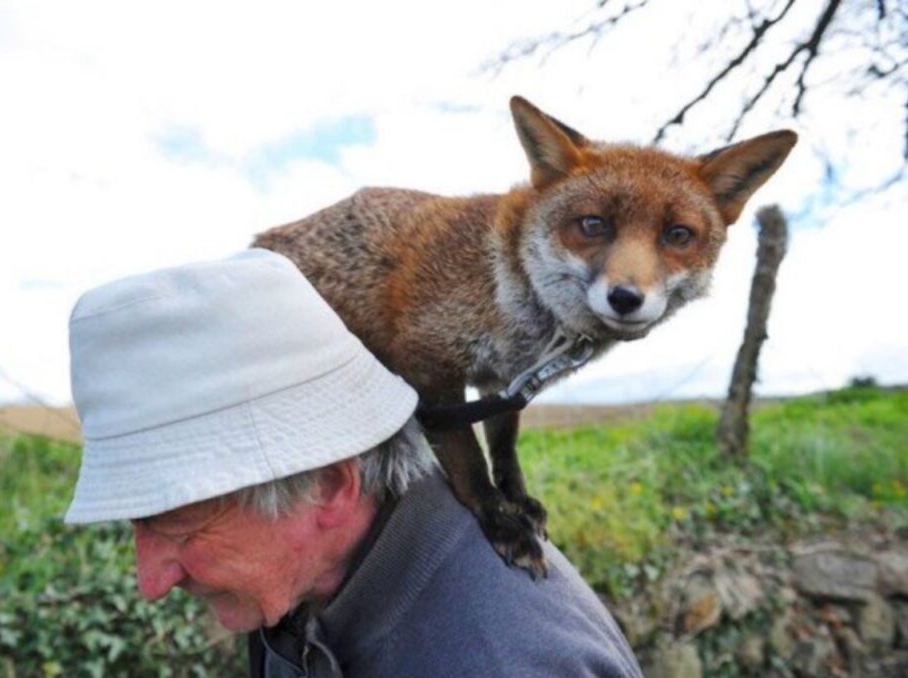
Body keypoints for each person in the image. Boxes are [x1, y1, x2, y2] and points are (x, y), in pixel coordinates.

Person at [64, 249, 642, 677]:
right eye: (137, 521)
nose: (150, 582)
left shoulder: (506, 660)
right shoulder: (305, 585)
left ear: (330, 485)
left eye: (180, 521)